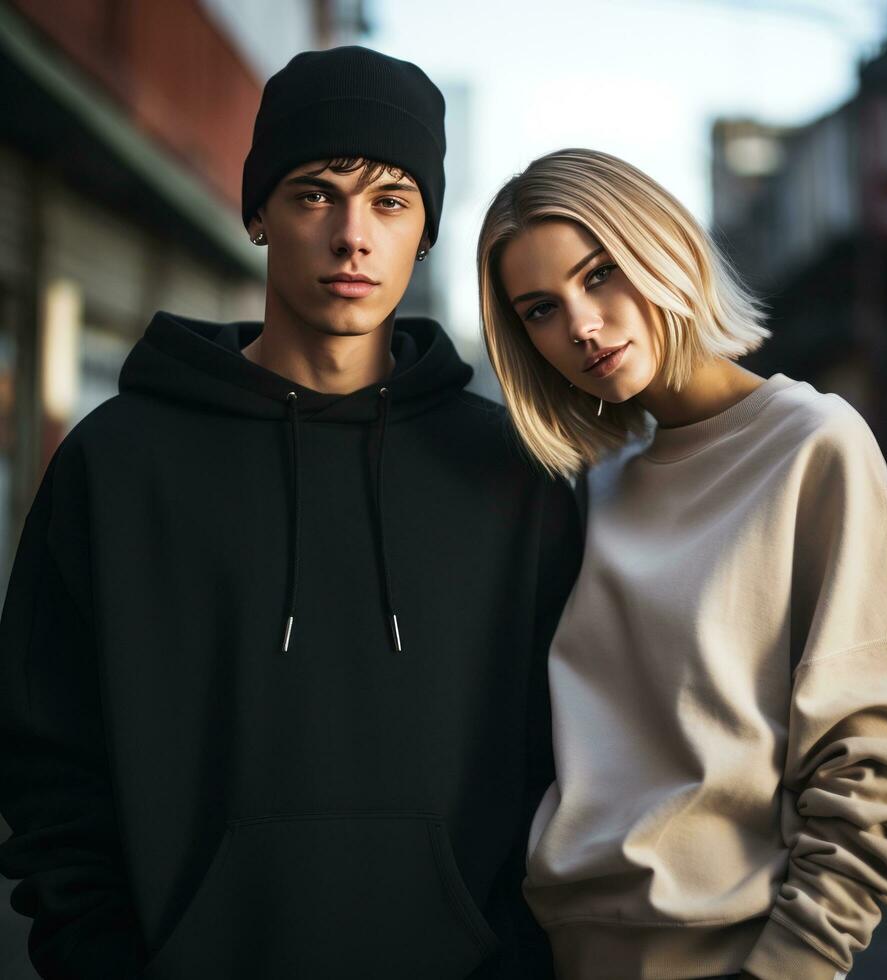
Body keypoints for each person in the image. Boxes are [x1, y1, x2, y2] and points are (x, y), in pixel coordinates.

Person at [0, 48, 582, 980]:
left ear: (426, 229)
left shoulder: (515, 474)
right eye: (315, 193)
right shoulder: (117, 464)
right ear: (259, 212)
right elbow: (47, 758)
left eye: (391, 201)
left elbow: (572, 762)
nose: (353, 235)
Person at [476, 147, 887, 980]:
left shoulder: (812, 444)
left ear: (662, 247)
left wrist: (793, 963)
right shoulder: (591, 488)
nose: (582, 325)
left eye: (600, 274)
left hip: (731, 955)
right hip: (560, 952)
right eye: (539, 309)